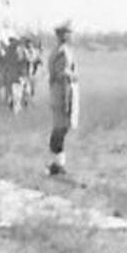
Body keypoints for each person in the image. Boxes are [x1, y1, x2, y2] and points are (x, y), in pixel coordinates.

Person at [47, 22, 79, 176]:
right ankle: (57, 164)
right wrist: (67, 100)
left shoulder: (57, 51)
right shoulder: (63, 52)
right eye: (70, 33)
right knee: (60, 129)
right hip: (62, 93)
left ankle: (57, 163)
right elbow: (64, 75)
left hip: (58, 93)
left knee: (60, 129)